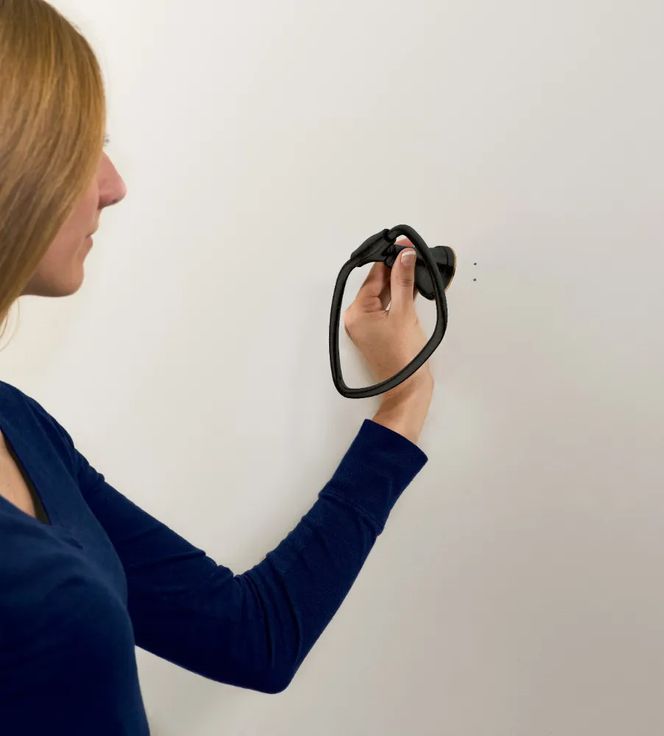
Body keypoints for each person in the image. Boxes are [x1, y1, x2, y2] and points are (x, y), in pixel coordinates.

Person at [0, 1, 435, 733]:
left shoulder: (18, 425)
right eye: (81, 149)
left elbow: (252, 637)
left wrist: (404, 399)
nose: (112, 185)